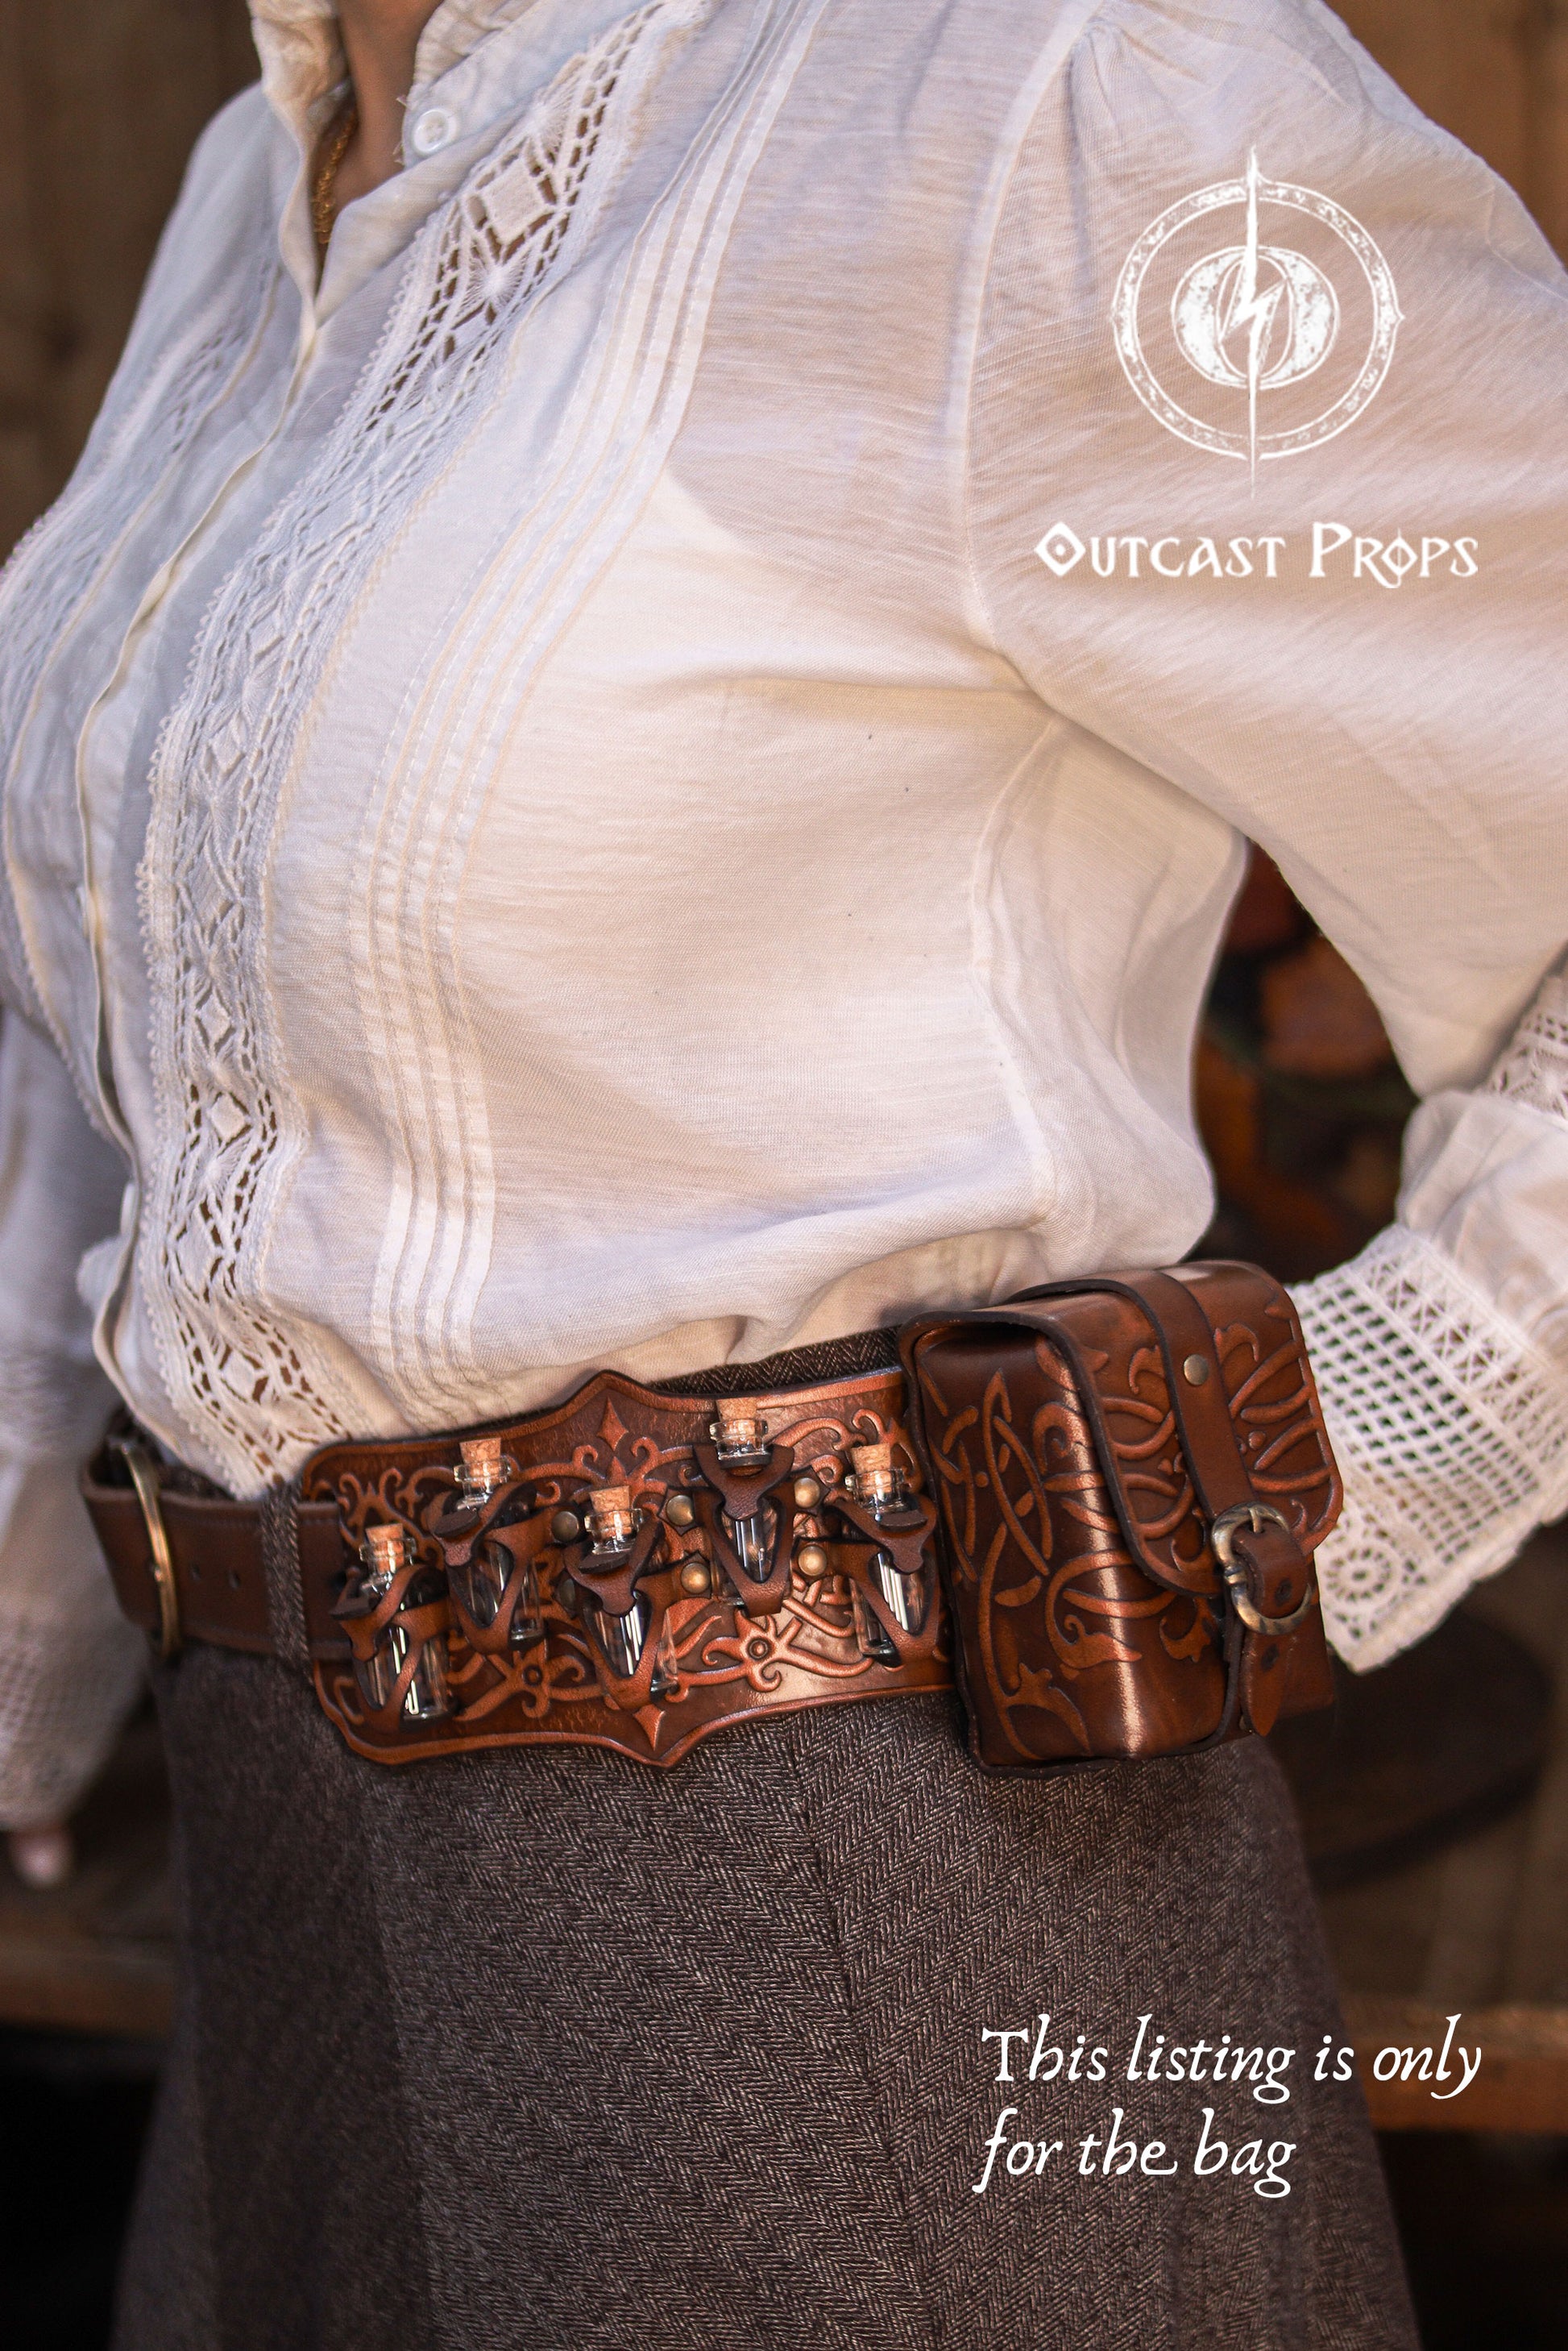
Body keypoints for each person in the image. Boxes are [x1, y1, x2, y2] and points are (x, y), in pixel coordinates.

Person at [2, 0, 1565, 2342]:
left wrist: (1325, 1474)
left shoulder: (1052, 95)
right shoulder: (267, 178)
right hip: (284, 1886)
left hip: (882, 1884)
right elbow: (127, 1063)